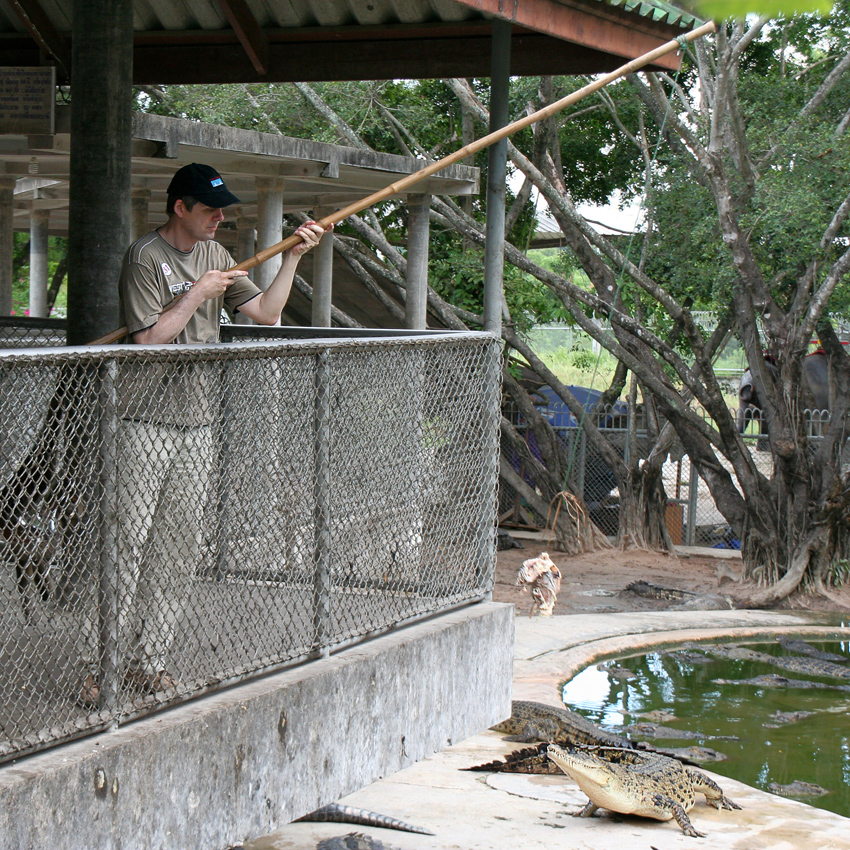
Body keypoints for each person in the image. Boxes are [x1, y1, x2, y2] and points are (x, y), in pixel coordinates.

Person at [80, 163, 329, 706]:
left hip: (198, 421)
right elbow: (149, 341)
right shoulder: (144, 257)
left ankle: (151, 662)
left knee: (177, 545)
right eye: (210, 208)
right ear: (181, 208)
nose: (221, 217)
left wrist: (292, 257)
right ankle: (104, 668)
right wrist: (194, 296)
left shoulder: (218, 256)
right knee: (127, 546)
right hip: (143, 421)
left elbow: (265, 312)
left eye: (222, 208)